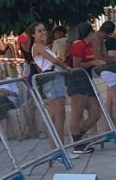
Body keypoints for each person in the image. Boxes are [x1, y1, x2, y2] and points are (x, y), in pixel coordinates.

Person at [28, 22, 72, 153]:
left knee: (56, 115)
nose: (43, 33)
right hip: (52, 79)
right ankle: (60, 148)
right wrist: (66, 67)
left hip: (54, 77)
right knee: (59, 115)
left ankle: (55, 147)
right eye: (39, 31)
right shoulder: (37, 46)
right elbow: (53, 61)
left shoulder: (44, 47)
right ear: (33, 34)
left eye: (44, 30)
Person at [67, 22, 105, 154]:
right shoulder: (79, 44)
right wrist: (92, 63)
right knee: (77, 114)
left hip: (87, 80)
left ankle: (78, 136)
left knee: (95, 113)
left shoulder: (89, 45)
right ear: (91, 32)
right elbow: (76, 64)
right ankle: (76, 143)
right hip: (77, 81)